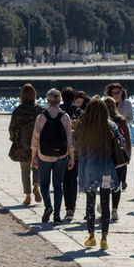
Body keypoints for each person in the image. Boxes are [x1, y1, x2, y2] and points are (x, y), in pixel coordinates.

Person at [77, 97, 119, 251]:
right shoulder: (111, 126)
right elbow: (120, 143)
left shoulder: (84, 127)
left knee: (90, 203)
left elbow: (76, 146)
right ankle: (104, 239)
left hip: (89, 171)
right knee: (106, 203)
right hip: (107, 170)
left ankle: (91, 236)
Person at [31, 88, 75, 225]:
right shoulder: (65, 117)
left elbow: (35, 139)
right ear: (59, 101)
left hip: (44, 155)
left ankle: (48, 206)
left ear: (48, 100)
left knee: (44, 184)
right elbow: (70, 140)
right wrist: (72, 157)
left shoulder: (41, 117)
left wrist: (33, 156)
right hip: (61, 156)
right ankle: (57, 216)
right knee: (58, 186)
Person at [8, 84, 44, 205]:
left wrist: (14, 139)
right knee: (37, 167)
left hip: (22, 144)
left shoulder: (18, 111)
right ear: (34, 95)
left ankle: (28, 196)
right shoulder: (40, 110)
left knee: (24, 171)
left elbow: (11, 128)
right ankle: (36, 186)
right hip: (38, 144)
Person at [105, 97, 131, 222]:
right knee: (117, 184)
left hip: (105, 158)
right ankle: (114, 210)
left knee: (105, 185)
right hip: (119, 158)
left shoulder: (102, 121)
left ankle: (105, 208)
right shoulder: (121, 120)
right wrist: (128, 155)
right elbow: (127, 139)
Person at [60, 87, 85, 223]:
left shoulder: (59, 111)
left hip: (61, 151)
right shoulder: (79, 112)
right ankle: (72, 208)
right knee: (73, 180)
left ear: (62, 97)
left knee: (64, 180)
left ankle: (67, 207)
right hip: (76, 152)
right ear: (74, 98)